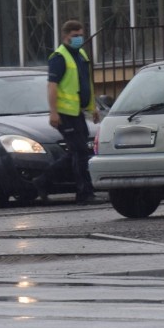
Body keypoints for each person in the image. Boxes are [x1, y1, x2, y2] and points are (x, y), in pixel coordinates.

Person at [33, 20, 100, 204]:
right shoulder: (59, 57)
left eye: (80, 35)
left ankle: (43, 181)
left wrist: (93, 107)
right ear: (65, 37)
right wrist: (53, 112)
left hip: (77, 112)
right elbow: (52, 86)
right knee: (79, 152)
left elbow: (86, 83)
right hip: (64, 113)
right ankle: (84, 193)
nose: (79, 39)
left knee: (77, 152)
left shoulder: (81, 55)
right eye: (74, 36)